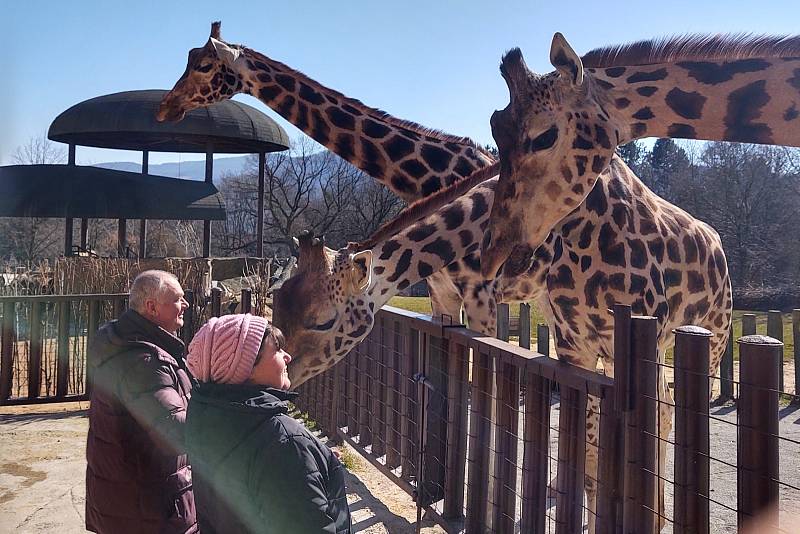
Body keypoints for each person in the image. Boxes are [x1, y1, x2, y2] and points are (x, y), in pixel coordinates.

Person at [185, 314, 351, 534]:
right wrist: (298, 453)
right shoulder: (284, 442)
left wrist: (314, 458)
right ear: (247, 367)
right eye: (278, 350)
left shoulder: (209, 417)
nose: (287, 357)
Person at [85, 270, 197, 534]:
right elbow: (175, 432)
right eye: (178, 299)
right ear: (152, 307)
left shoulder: (127, 345)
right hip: (146, 508)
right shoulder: (143, 363)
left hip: (125, 500)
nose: (186, 305)